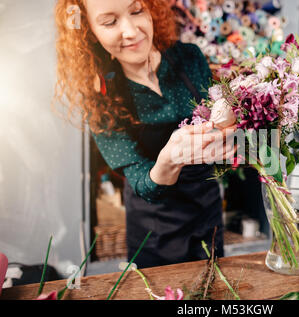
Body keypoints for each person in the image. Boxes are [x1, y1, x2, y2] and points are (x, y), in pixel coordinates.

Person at [53, 0, 236, 267]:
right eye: (109, 22)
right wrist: (168, 160)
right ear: (89, 30)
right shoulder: (101, 96)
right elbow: (139, 178)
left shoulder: (189, 57)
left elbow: (220, 128)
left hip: (206, 211)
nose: (131, 30)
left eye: (137, 10)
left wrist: (232, 131)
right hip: (155, 228)